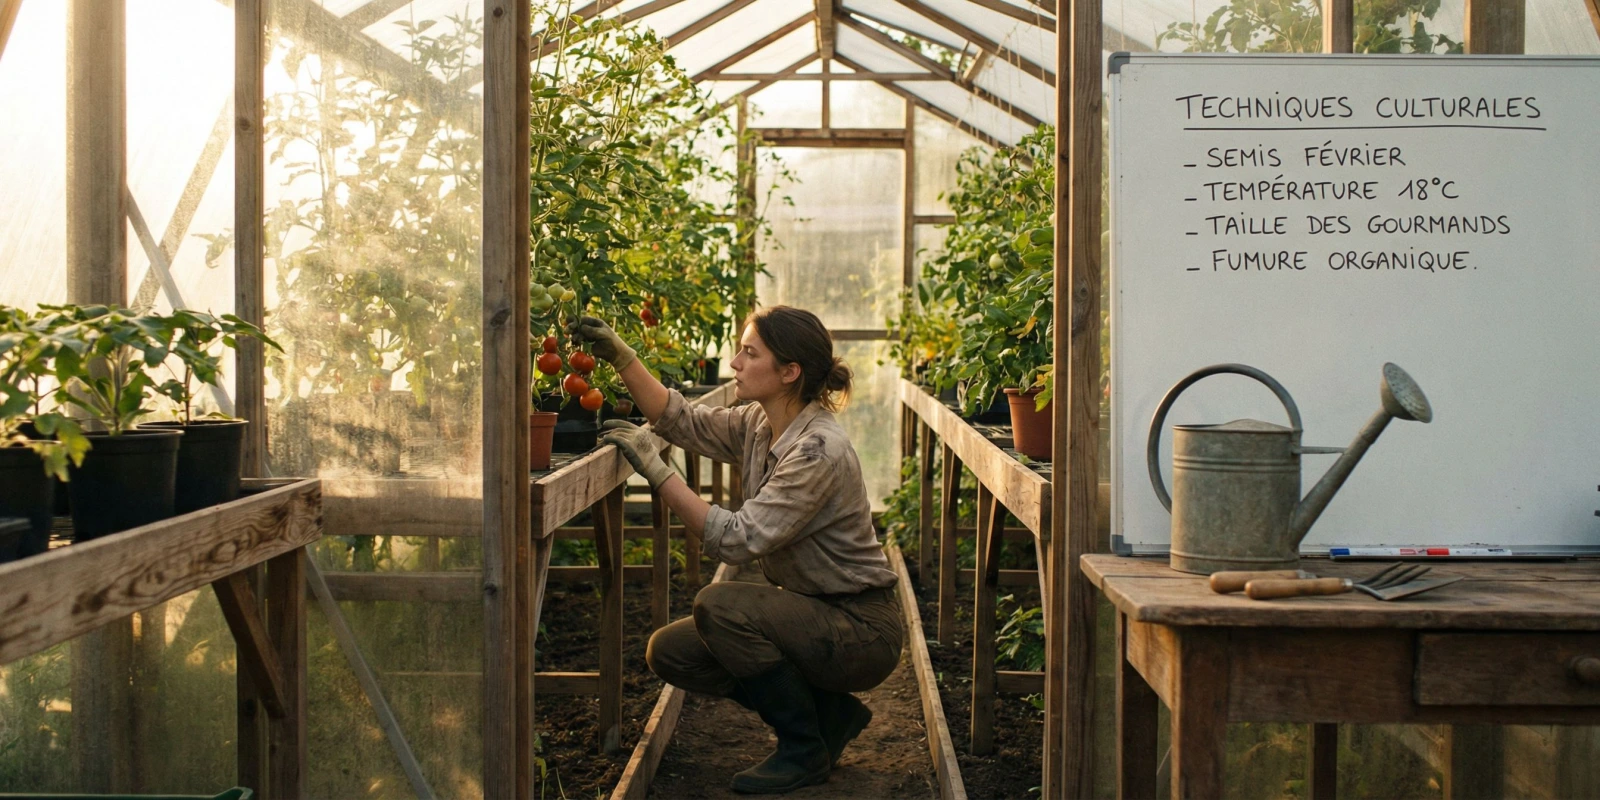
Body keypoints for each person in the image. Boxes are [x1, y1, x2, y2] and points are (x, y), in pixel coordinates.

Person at [568, 305, 904, 794]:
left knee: (719, 606)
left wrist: (659, 473)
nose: (734, 364)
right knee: (673, 652)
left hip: (861, 629)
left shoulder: (816, 451)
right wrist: (623, 357)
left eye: (750, 353)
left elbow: (739, 539)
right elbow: (680, 421)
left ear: (790, 372)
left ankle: (802, 749)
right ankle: (828, 717)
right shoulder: (760, 424)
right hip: (813, 612)